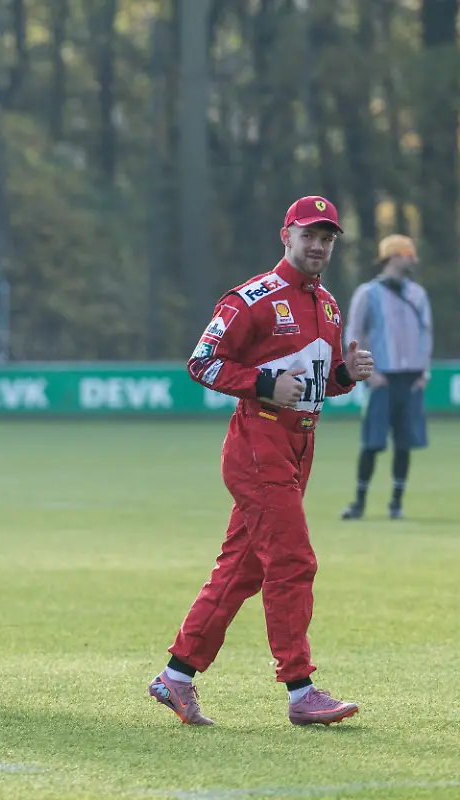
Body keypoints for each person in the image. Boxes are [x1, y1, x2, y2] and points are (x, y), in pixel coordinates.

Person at [148, 195, 373, 727]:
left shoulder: (328, 304)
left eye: (326, 238)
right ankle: (301, 690)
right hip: (258, 443)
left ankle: (176, 676)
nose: (318, 245)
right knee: (293, 561)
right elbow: (202, 362)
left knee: (241, 571)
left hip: (298, 447)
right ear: (286, 236)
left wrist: (345, 375)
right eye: (308, 235)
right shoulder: (252, 298)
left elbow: (313, 385)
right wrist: (264, 383)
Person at [340, 234, 433, 521]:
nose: (412, 259)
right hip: (382, 378)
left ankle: (396, 503)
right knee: (372, 442)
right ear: (393, 256)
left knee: (405, 443)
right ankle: (359, 502)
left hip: (411, 379)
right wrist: (367, 372)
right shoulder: (368, 293)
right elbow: (354, 333)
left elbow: (426, 333)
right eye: (407, 254)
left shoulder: (417, 294)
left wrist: (424, 370)